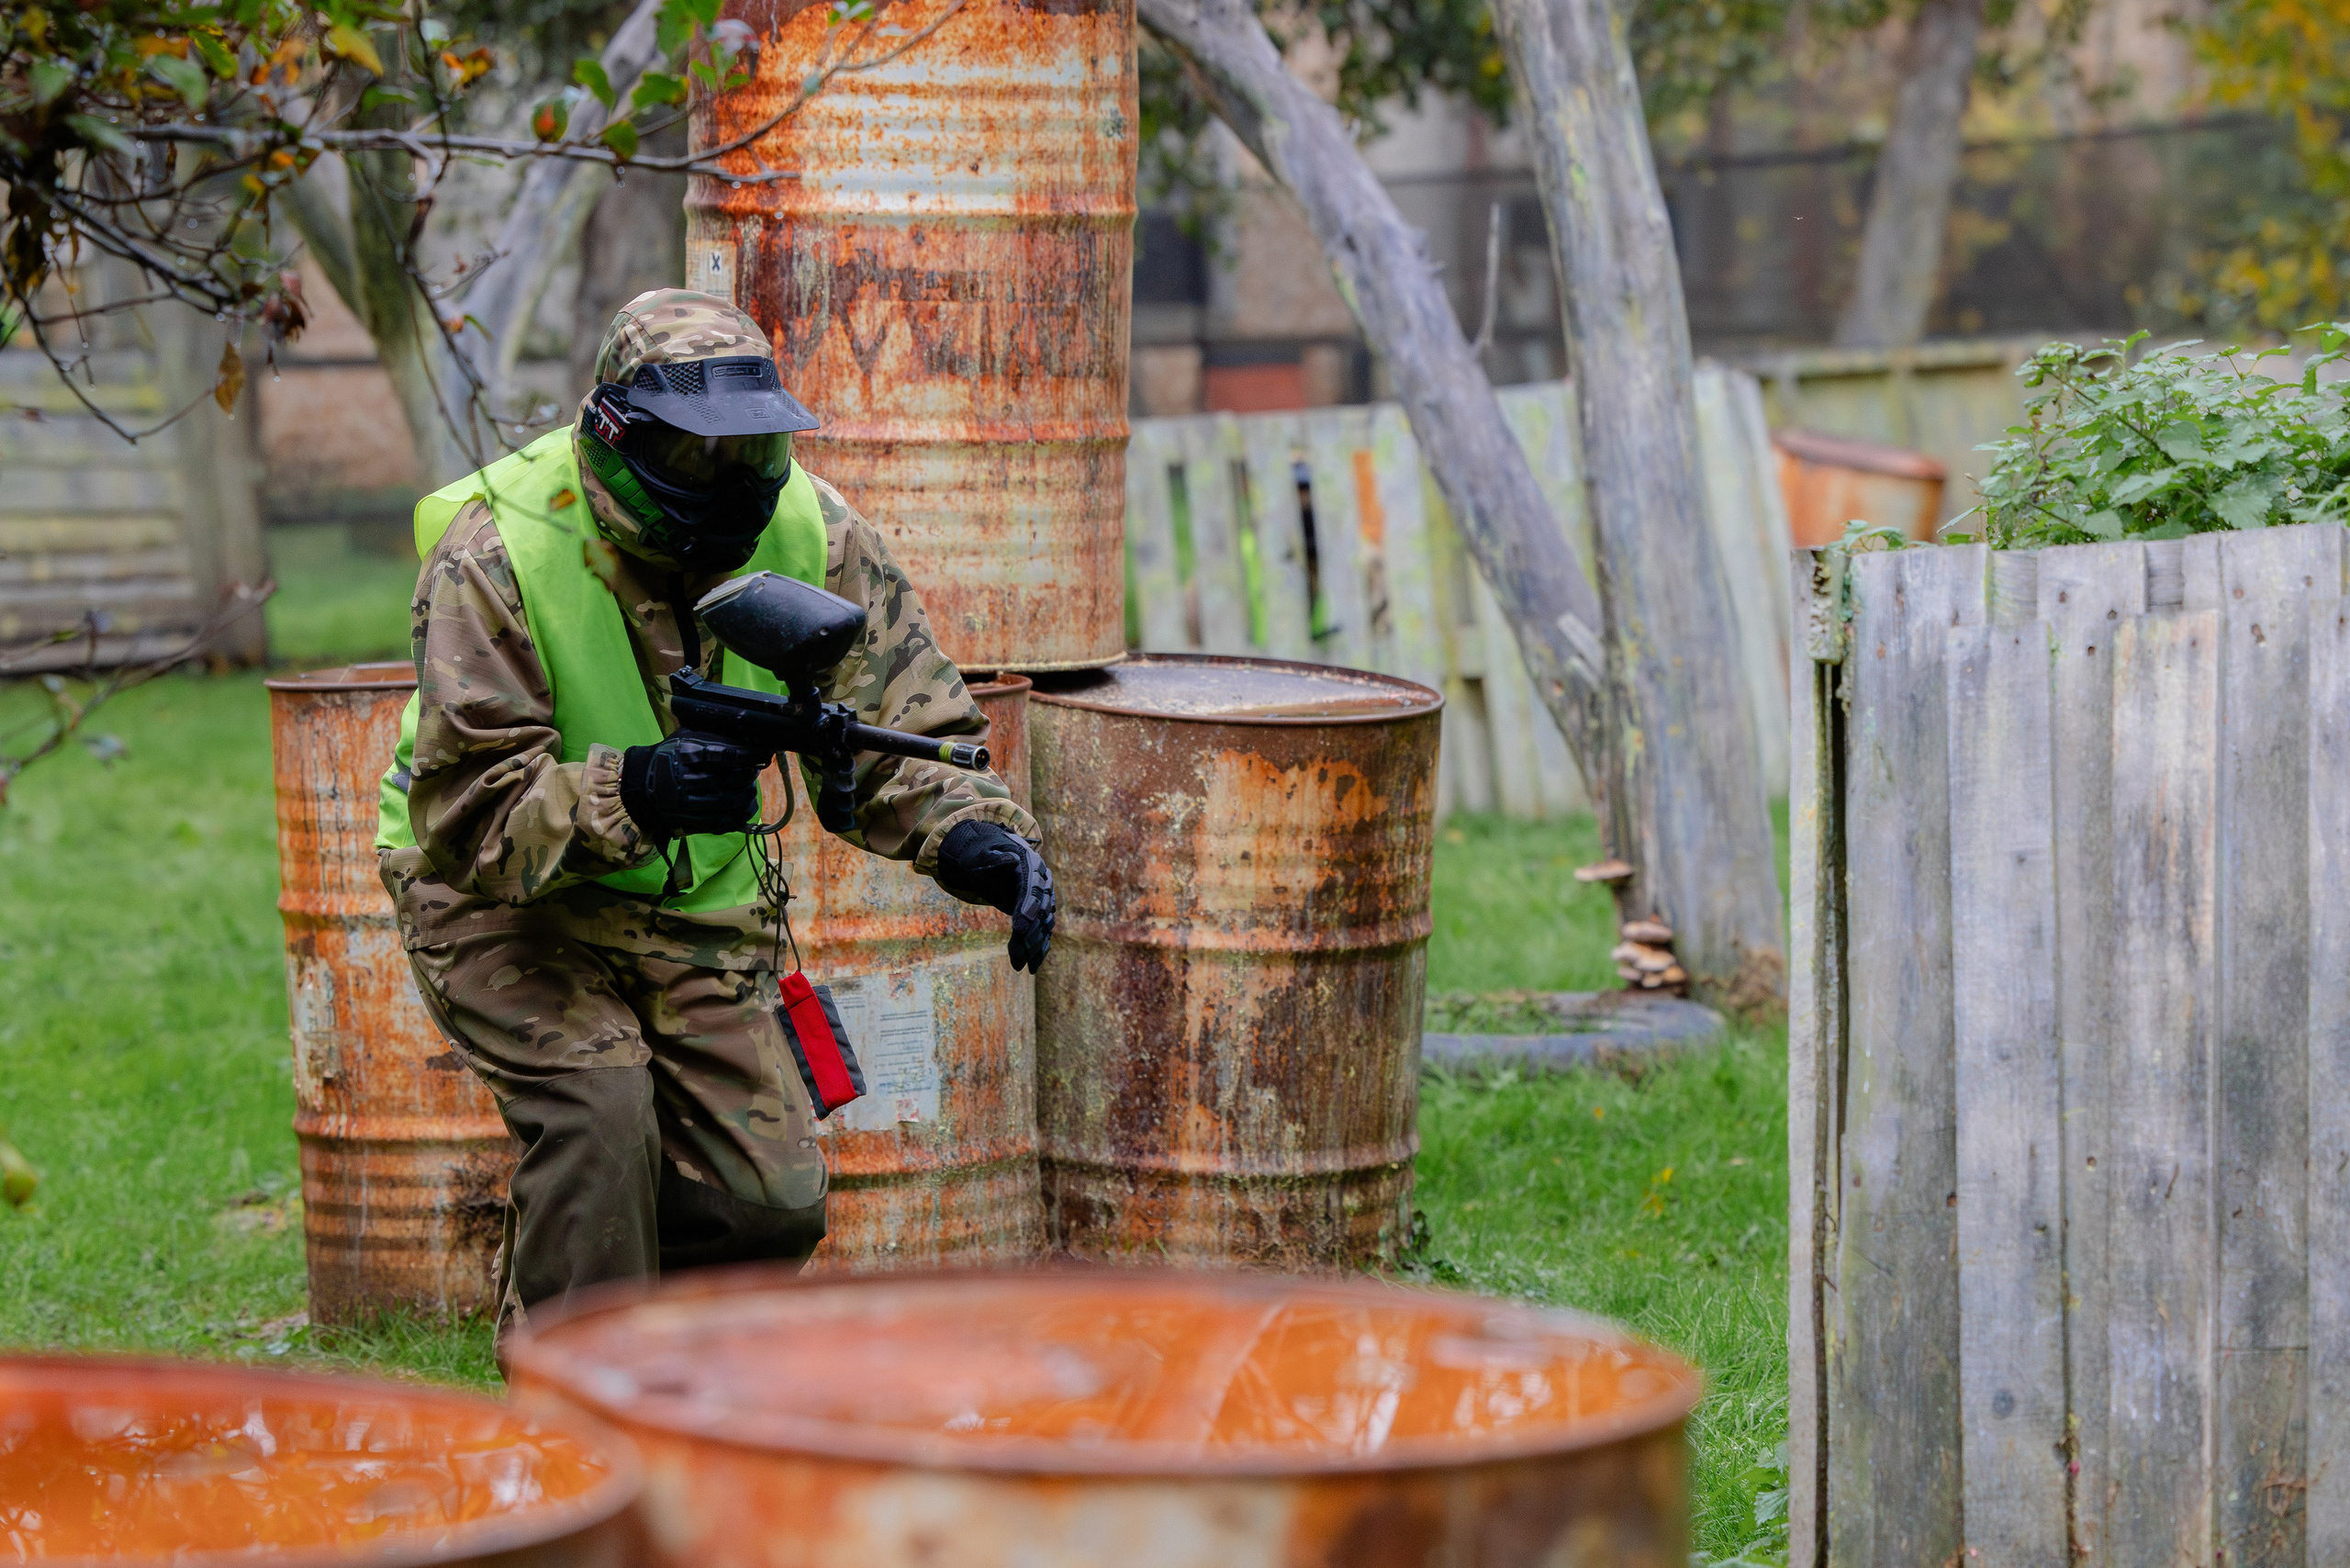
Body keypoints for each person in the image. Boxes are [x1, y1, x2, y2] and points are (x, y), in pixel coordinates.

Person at [373, 288, 1055, 1344]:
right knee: (600, 1115)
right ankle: (578, 1409)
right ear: (615, 439)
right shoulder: (498, 550)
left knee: (768, 1201)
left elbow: (897, 718)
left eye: (756, 453)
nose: (733, 489)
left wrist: (974, 837)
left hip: (690, 907)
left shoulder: (812, 531)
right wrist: (637, 788)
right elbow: (469, 815)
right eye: (698, 460)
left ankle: (659, 1361)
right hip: (499, 893)